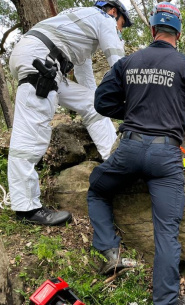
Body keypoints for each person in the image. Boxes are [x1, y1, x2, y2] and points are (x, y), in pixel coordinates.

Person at [87, 2, 185, 305]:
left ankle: (110, 250)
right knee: (165, 233)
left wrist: (132, 110)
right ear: (178, 32)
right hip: (166, 157)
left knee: (97, 190)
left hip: (130, 148)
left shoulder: (128, 62)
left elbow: (101, 102)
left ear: (152, 30)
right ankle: (166, 301)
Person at [8, 0, 132, 226]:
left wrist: (104, 104)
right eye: (122, 25)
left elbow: (89, 86)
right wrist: (135, 100)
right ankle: (26, 208)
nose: (120, 31)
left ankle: (113, 157)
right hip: (41, 60)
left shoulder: (83, 29)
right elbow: (119, 63)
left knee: (91, 103)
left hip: (46, 61)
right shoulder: (103, 19)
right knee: (32, 131)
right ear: (114, 12)